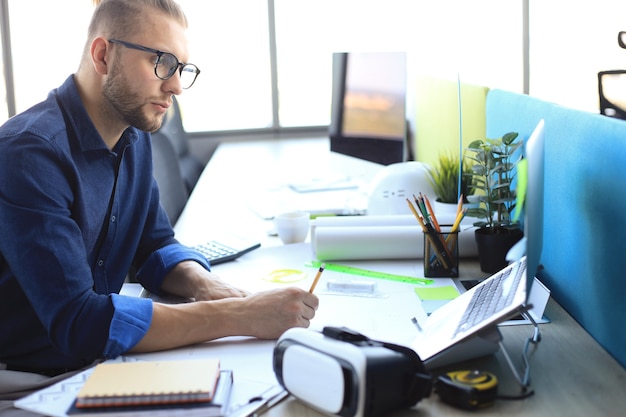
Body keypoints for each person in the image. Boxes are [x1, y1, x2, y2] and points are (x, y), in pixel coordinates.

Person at [0, 0, 318, 390]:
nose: (176, 85)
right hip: (29, 382)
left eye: (181, 68)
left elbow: (155, 246)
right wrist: (239, 315)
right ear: (103, 55)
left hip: (98, 361)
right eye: (162, 63)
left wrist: (209, 288)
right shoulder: (29, 154)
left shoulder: (133, 135)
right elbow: (78, 320)